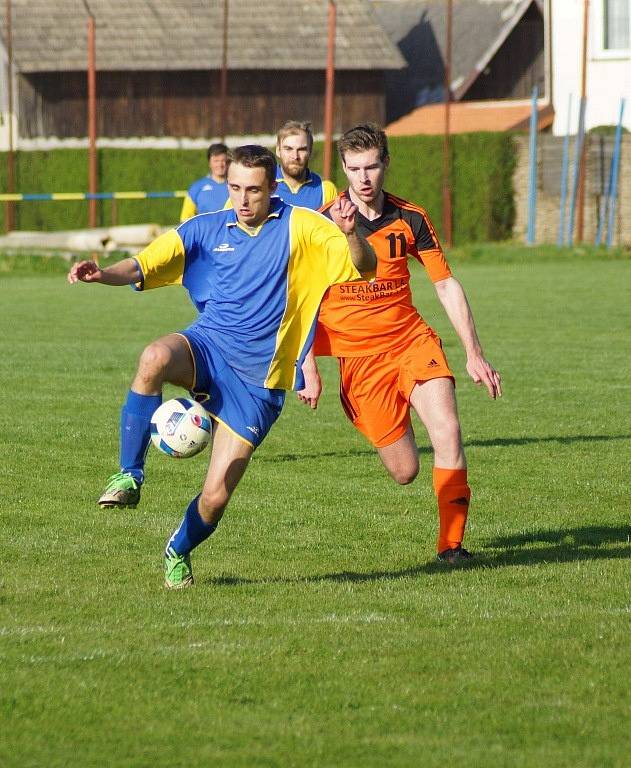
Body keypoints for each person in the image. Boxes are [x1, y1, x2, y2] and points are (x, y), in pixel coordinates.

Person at [68, 145, 375, 589]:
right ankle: (129, 475)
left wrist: (349, 234)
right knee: (153, 357)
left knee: (215, 497)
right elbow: (143, 264)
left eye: (253, 190)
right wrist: (101, 274)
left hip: (258, 384)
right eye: (234, 188)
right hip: (208, 346)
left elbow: (365, 267)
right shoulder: (206, 228)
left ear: (273, 187)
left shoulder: (304, 227)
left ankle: (178, 549)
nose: (243, 199)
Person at [300, 123, 502, 564]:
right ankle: (394, 423)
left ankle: (451, 546)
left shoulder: (411, 217)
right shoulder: (320, 225)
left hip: (412, 342)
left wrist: (474, 353)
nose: (364, 178)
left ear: (385, 163)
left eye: (371, 166)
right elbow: (302, 296)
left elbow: (445, 284)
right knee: (405, 470)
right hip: (359, 361)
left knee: (448, 430)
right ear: (344, 169)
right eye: (354, 169)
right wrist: (308, 364)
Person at [275, 120, 337, 209]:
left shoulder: (325, 190)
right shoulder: (263, 185)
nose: (295, 156)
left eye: (301, 150)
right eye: (288, 149)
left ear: (310, 152)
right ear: (278, 151)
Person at [179, 142, 230, 221]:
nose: (220, 165)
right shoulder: (196, 187)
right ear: (209, 163)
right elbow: (185, 219)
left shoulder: (236, 186)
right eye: (216, 161)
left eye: (223, 160)